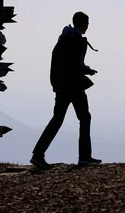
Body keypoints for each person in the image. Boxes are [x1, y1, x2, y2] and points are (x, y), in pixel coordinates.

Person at [31, 11, 101, 168]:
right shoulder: (77, 41)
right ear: (83, 24)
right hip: (74, 85)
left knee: (57, 120)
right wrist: (88, 70)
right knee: (84, 118)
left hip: (60, 84)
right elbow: (77, 63)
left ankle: (38, 154)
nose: (88, 26)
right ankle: (84, 156)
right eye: (87, 23)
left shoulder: (63, 38)